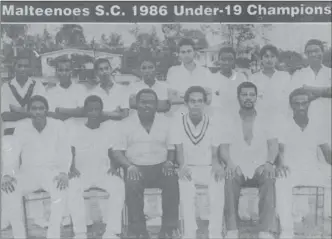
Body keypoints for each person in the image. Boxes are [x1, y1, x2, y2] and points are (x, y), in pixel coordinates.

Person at [112, 89, 180, 239]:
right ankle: (138, 230)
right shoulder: (125, 124)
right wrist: (129, 166)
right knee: (132, 182)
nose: (146, 106)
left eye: (150, 102)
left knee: (172, 179)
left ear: (156, 105)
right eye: (143, 102)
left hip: (160, 166)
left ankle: (169, 228)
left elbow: (171, 147)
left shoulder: (166, 122)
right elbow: (117, 152)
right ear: (136, 104)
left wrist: (169, 162)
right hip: (136, 167)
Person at [1, 95, 71, 239]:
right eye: (34, 109)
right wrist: (7, 174)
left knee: (61, 188)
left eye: (41, 108)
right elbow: (12, 154)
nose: (38, 112)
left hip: (51, 172)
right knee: (8, 190)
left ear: (46, 110)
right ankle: (19, 236)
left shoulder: (58, 125)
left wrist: (64, 172)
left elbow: (65, 151)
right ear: (29, 111)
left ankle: (53, 235)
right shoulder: (21, 126)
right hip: (27, 173)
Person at [169, 86, 228, 239]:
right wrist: (182, 167)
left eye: (200, 101)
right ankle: (190, 232)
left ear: (205, 103)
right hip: (188, 167)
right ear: (186, 103)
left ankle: (215, 232)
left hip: (208, 166)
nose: (196, 104)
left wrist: (216, 165)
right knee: (186, 190)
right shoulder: (177, 122)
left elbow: (215, 152)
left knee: (218, 185)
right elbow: (179, 150)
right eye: (193, 101)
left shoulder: (213, 122)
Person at [223, 82, 280, 239]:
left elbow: (273, 145)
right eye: (244, 94)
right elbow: (223, 147)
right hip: (238, 166)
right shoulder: (229, 119)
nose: (248, 98)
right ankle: (232, 229)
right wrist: (230, 163)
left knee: (269, 176)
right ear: (238, 97)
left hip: (259, 166)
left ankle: (266, 230)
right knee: (229, 176)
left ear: (256, 97)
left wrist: (268, 163)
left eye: (251, 95)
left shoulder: (266, 119)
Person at [275, 88, 331, 239]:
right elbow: (279, 151)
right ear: (291, 106)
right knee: (281, 181)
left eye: (304, 103)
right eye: (296, 104)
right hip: (291, 171)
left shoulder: (317, 125)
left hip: (313, 170)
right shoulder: (283, 125)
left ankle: (326, 228)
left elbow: (328, 155)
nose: (300, 107)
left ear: (308, 105)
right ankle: (287, 231)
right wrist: (280, 164)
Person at [66, 95, 125, 239]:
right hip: (82, 173)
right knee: (73, 186)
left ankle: (112, 231)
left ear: (101, 111)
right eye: (91, 110)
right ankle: (80, 232)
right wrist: (71, 168)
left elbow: (114, 152)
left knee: (118, 185)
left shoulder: (108, 129)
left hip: (103, 172)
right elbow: (70, 152)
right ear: (85, 111)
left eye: (97, 109)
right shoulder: (75, 129)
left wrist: (114, 166)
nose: (94, 113)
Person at [57, 58, 130, 121]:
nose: (104, 72)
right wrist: (115, 113)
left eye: (106, 68)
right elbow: (93, 116)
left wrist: (103, 113)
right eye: (101, 69)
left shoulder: (123, 89)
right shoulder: (93, 93)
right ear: (96, 73)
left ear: (111, 69)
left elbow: (125, 115)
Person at [1, 50, 46, 134]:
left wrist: (15, 109)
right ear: (14, 67)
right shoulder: (5, 87)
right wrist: (30, 113)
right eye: (20, 66)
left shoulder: (38, 86)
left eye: (26, 66)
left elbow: (41, 113)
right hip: (11, 131)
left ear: (30, 68)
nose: (23, 69)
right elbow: (5, 115)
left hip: (32, 131)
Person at [166, 38, 214, 116]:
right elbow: (172, 99)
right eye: (183, 52)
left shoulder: (205, 72)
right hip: (179, 115)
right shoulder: (173, 72)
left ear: (194, 52)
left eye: (189, 51)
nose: (186, 55)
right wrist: (197, 99)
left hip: (201, 115)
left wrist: (182, 96)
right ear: (179, 54)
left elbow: (209, 99)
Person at [249, 44, 291, 117]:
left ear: (276, 59)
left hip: (281, 117)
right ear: (261, 59)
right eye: (266, 56)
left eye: (272, 56)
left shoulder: (285, 76)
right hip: (260, 118)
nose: (269, 60)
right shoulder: (253, 78)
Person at [211, 46, 248, 114]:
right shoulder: (212, 79)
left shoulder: (241, 78)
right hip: (219, 118)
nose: (226, 62)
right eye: (223, 59)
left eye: (230, 59)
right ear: (219, 60)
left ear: (234, 61)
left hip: (238, 117)